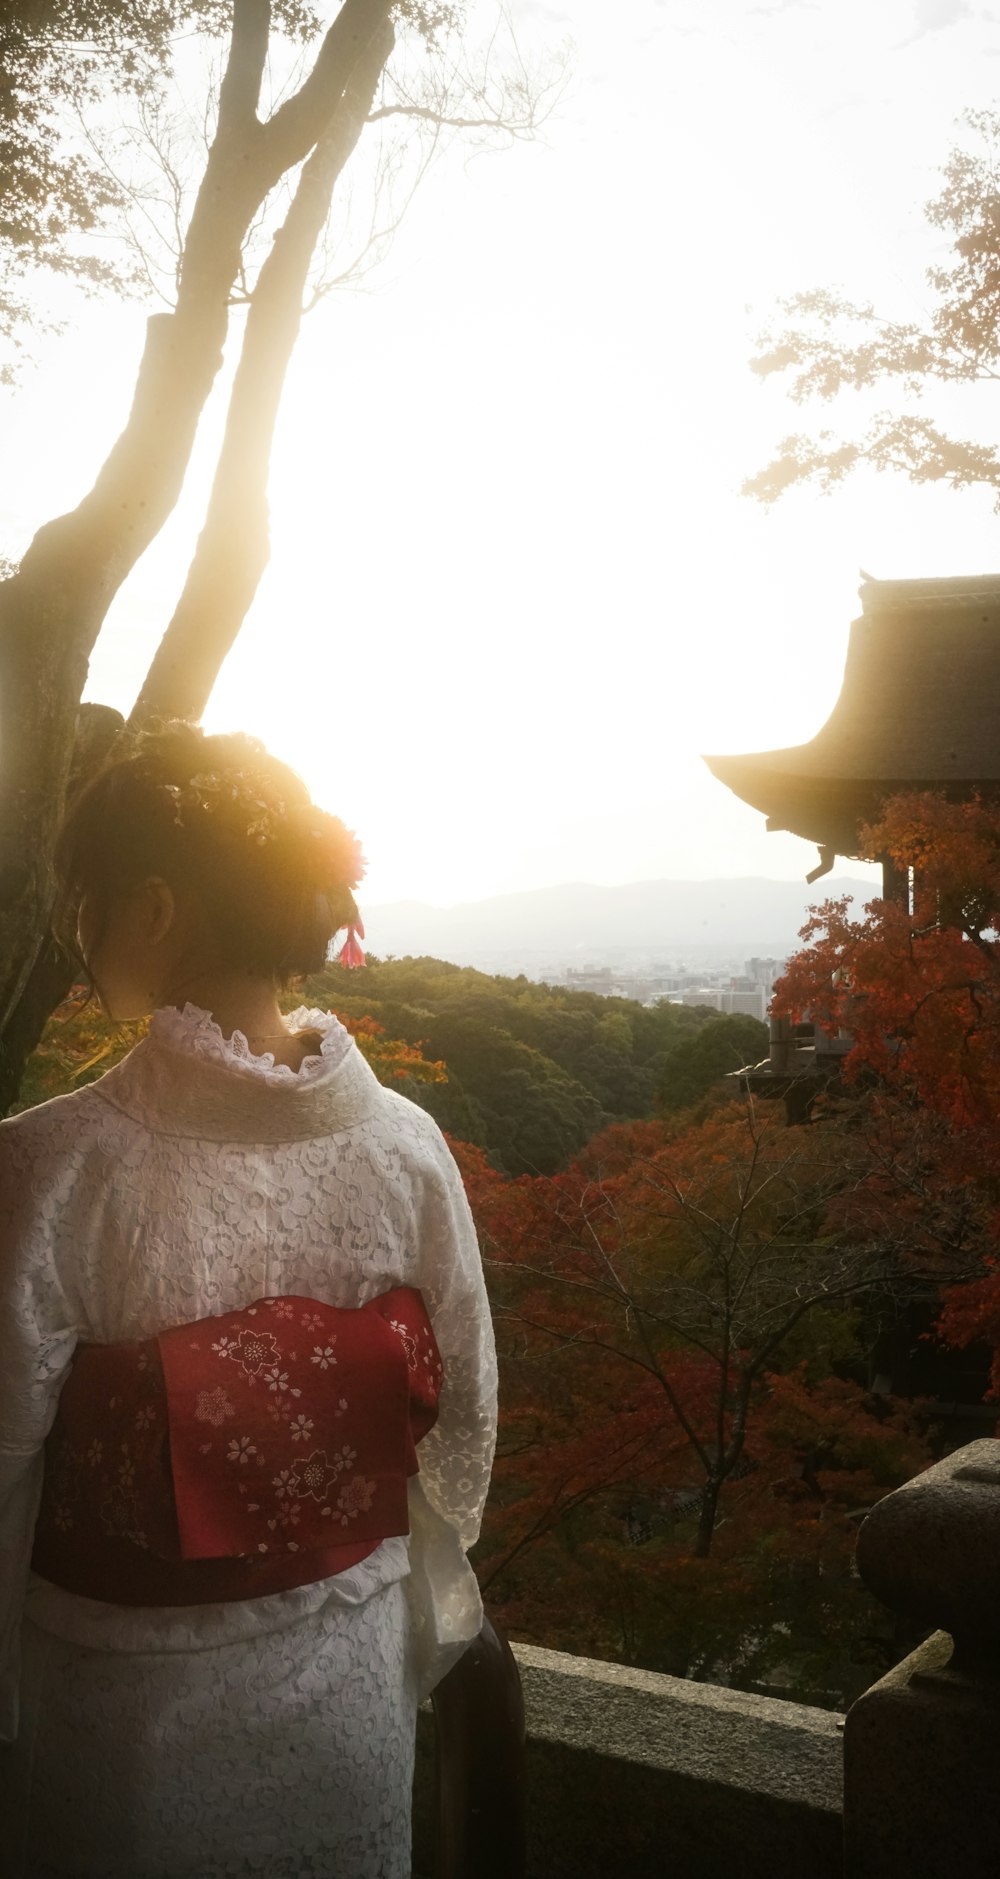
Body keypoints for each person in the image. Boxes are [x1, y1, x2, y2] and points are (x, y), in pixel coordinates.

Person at [0, 722, 498, 1879]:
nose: (80, 931)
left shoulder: (52, 1163)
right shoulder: (411, 1148)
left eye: (89, 897)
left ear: (157, 908)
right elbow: (462, 1419)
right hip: (354, 1672)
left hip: (129, 1705)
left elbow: (5, 1455)